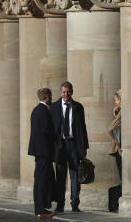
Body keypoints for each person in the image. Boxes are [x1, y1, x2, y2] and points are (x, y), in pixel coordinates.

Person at [49, 81, 89, 213]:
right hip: (60, 146)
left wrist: (84, 148)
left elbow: (83, 128)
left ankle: (75, 204)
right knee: (60, 177)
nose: (66, 94)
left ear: (72, 91)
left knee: (75, 176)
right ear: (60, 93)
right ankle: (60, 204)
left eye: (68, 92)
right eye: (63, 92)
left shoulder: (78, 107)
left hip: (74, 145)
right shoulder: (54, 107)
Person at [27, 87, 55, 219]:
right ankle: (40, 210)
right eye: (51, 96)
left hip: (39, 150)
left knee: (42, 179)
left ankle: (43, 206)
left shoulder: (36, 110)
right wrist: (56, 137)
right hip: (43, 150)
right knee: (41, 180)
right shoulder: (43, 111)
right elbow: (45, 131)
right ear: (47, 96)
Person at [107, 89, 122, 213]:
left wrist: (117, 115)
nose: (115, 103)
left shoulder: (122, 112)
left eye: (116, 100)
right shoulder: (120, 112)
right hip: (118, 149)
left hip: (120, 150)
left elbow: (112, 127)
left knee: (123, 178)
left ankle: (114, 203)